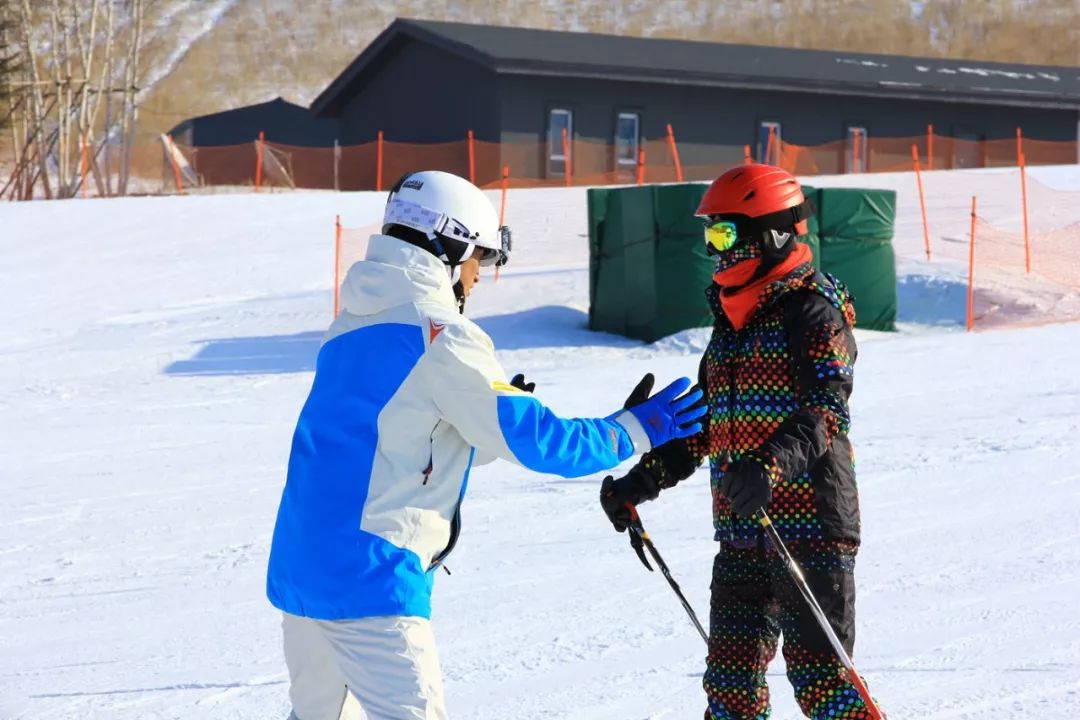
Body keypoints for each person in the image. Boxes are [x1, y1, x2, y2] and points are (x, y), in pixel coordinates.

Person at [266, 169, 706, 720]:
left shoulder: (348, 325)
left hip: (302, 571)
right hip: (371, 582)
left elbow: (399, 442)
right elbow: (544, 444)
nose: (477, 278)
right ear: (448, 246)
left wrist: (477, 416)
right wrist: (637, 428)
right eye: (479, 258)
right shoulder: (441, 335)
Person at [600, 164, 872, 719]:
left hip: (811, 528)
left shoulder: (813, 311)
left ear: (771, 234)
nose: (714, 249)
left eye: (724, 235)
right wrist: (642, 480)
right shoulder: (733, 323)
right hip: (743, 531)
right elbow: (708, 424)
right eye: (709, 236)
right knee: (730, 689)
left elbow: (827, 410)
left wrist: (767, 467)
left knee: (824, 687)